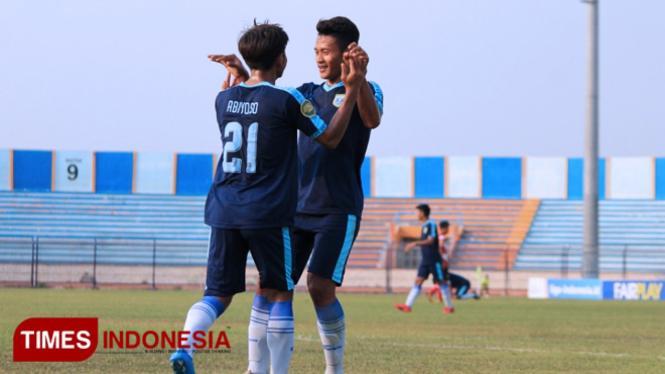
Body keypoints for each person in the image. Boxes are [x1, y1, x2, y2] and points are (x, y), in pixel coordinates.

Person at [169, 20, 366, 374]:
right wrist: (349, 93)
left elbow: (256, 104)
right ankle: (270, 371)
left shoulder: (223, 98)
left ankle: (186, 346)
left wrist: (243, 72)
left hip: (224, 209)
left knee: (217, 294)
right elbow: (325, 134)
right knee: (278, 291)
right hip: (269, 213)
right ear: (281, 59)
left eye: (325, 51)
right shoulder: (290, 97)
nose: (318, 58)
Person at [395, 204, 455, 314]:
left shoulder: (431, 224)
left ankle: (449, 307)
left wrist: (415, 243)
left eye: (418, 212)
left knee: (440, 281)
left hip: (433, 259)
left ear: (423, 213)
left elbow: (431, 240)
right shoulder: (425, 226)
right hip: (426, 259)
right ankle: (408, 305)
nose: (417, 215)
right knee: (418, 281)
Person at [427, 221, 453, 303]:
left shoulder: (438, 237)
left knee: (441, 280)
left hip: (440, 260)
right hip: (442, 261)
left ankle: (439, 298)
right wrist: (442, 260)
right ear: (444, 228)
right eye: (447, 228)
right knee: (443, 281)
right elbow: (440, 247)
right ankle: (431, 291)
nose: (448, 229)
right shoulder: (442, 237)